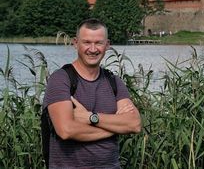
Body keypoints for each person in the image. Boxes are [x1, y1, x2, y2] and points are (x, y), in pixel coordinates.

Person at [43, 18, 142, 168]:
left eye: (99, 43)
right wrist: (115, 128)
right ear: (76, 43)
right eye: (87, 42)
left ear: (107, 45)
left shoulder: (113, 81)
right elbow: (66, 130)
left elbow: (134, 124)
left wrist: (91, 117)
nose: (93, 49)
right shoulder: (61, 79)